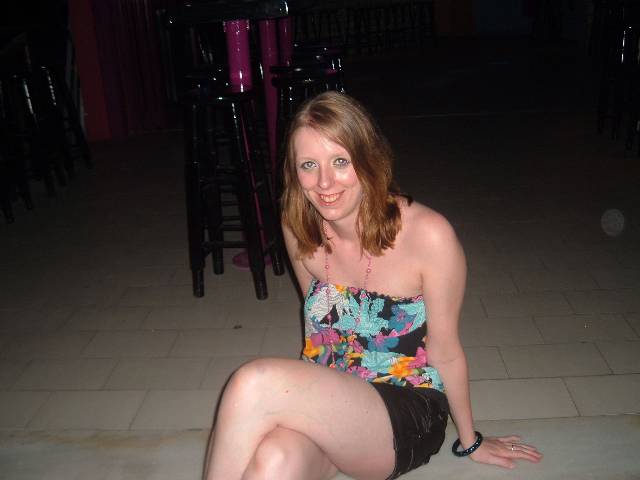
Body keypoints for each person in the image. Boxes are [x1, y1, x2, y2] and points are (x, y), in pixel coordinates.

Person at [202, 91, 542, 480]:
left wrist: (471, 440)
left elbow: (446, 353)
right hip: (336, 396)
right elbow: (316, 324)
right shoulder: (298, 225)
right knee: (273, 461)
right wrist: (305, 397)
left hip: (405, 409)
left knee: (253, 384)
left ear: (368, 160)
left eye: (340, 161)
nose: (324, 182)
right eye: (309, 165)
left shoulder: (428, 235)